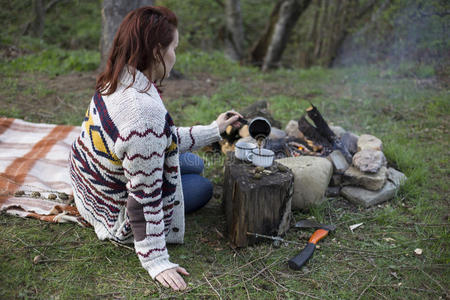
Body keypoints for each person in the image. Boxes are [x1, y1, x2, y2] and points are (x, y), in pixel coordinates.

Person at [69, 6, 242, 291]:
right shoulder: (142, 113)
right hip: (112, 208)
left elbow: (161, 139)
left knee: (196, 165)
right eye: (174, 47)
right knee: (202, 187)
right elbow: (143, 197)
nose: (176, 55)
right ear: (157, 52)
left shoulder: (119, 77)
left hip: (88, 178)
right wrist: (156, 260)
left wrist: (214, 130)